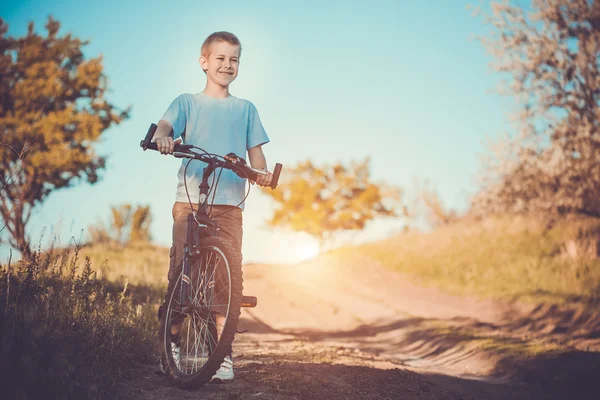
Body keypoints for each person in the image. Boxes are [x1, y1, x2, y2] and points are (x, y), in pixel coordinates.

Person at [153, 31, 273, 383]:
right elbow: (166, 125)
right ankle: (171, 345)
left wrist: (262, 172)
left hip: (230, 204)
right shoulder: (187, 101)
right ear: (204, 61)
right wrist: (163, 136)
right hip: (190, 200)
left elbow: (257, 154)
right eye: (220, 58)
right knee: (182, 274)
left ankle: (221, 354)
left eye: (234, 60)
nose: (227, 65)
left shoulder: (246, 109)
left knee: (226, 280)